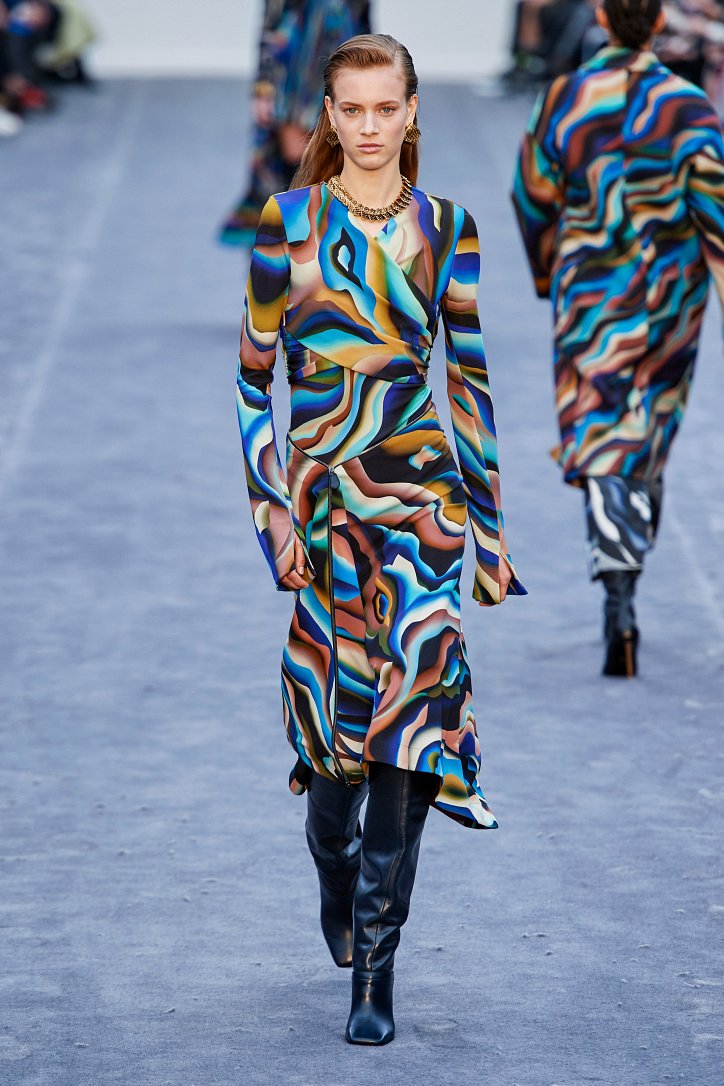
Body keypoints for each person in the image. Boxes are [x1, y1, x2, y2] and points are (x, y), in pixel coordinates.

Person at [236, 33, 525, 1044]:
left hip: (421, 512)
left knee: (407, 737)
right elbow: (251, 382)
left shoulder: (449, 227)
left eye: (384, 108)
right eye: (350, 109)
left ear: (411, 111)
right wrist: (270, 511)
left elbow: (471, 384)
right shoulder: (287, 224)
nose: (367, 127)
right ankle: (332, 865)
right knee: (333, 757)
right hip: (322, 513)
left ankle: (376, 965)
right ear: (328, 114)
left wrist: (489, 531)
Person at [512, 0, 724, 677]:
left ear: (601, 17)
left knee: (598, 424)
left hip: (591, 290)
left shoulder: (564, 98)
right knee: (652, 416)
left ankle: (618, 586)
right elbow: (715, 206)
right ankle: (642, 498)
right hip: (671, 293)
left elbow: (532, 193)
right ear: (659, 23)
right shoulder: (688, 106)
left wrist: (547, 268)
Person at [219, 0, 371, 247]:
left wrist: (372, 77)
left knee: (337, 154)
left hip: (344, 61)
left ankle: (320, 240)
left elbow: (364, 21)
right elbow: (271, 23)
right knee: (295, 155)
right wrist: (264, 86)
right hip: (296, 68)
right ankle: (288, 240)